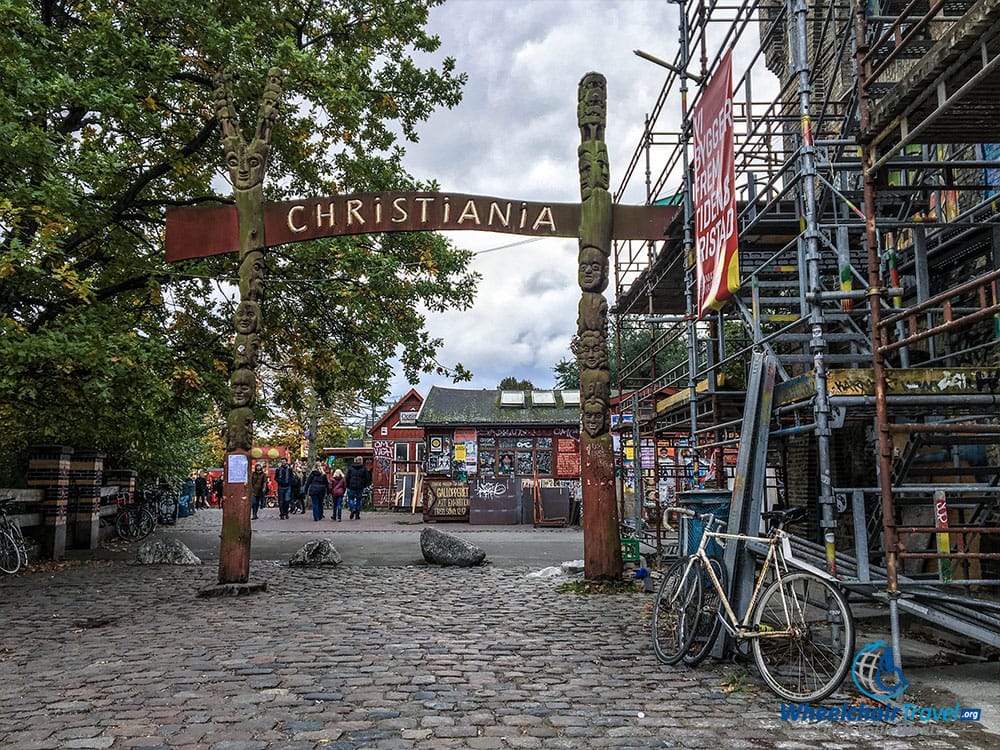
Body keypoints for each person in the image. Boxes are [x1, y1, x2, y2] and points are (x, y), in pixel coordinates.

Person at [344, 455, 371, 520]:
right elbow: (367, 478)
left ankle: (352, 508)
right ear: (361, 461)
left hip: (351, 486)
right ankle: (357, 515)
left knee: (350, 499)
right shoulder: (363, 468)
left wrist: (347, 485)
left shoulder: (351, 468)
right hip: (360, 487)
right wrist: (365, 485)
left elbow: (347, 477)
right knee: (359, 500)